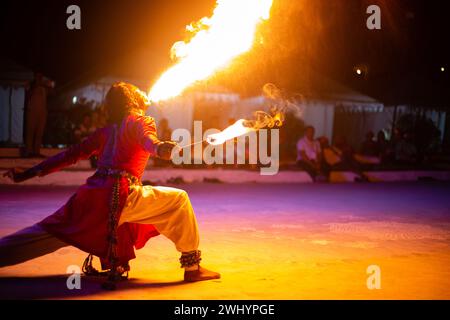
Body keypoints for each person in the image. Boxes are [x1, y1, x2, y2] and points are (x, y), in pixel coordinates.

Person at [1, 82, 220, 288]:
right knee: (179, 199)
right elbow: (149, 141)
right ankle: (192, 267)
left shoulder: (106, 131)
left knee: (46, 233)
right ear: (131, 99)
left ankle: (119, 262)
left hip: (93, 194)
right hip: (123, 194)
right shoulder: (141, 121)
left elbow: (70, 155)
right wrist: (161, 147)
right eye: (137, 91)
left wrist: (28, 173)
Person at [24, 72, 52, 157]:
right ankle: (29, 151)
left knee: (39, 133)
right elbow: (27, 94)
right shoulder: (31, 85)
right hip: (32, 110)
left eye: (40, 76)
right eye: (38, 75)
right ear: (35, 76)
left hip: (42, 111)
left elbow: (52, 93)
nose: (39, 77)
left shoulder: (44, 86)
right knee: (30, 131)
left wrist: (48, 85)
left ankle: (36, 151)